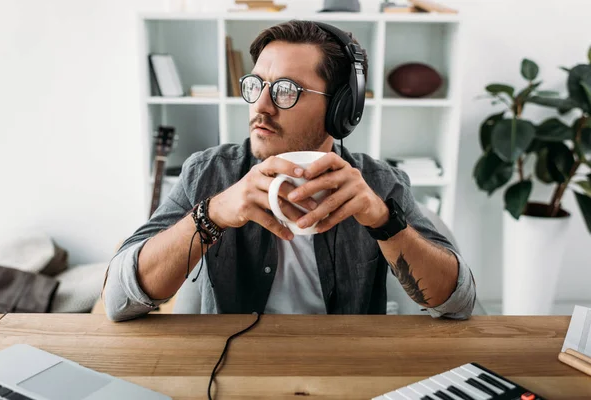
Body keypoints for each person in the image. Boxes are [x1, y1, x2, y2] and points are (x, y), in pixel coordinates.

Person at [103, 20, 476, 322]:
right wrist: (212, 214)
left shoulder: (379, 183)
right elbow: (118, 301)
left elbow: (458, 303)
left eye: (285, 90)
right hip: (231, 371)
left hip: (349, 373)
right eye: (256, 86)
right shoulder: (208, 173)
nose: (260, 106)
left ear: (340, 110)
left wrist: (383, 221)